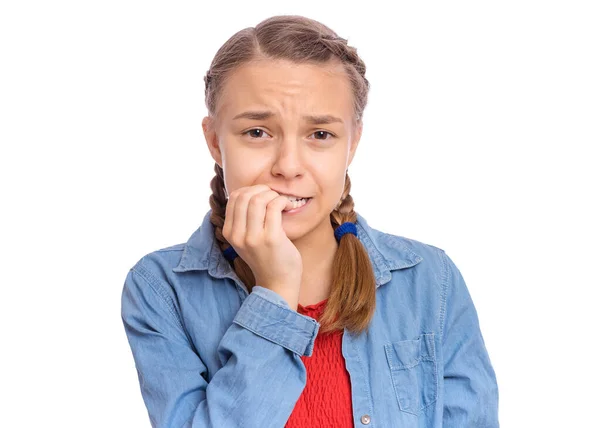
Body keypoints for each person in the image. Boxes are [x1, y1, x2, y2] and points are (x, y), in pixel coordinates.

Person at [120, 15, 499, 428]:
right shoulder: (161, 289)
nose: (288, 166)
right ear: (214, 140)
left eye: (320, 135)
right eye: (257, 132)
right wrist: (277, 293)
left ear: (352, 142)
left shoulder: (430, 281)